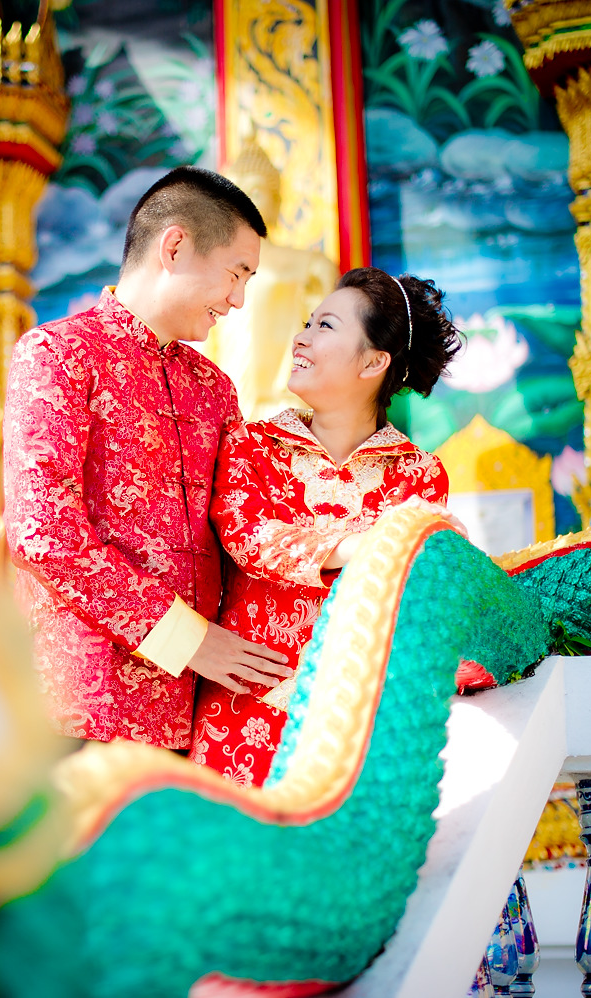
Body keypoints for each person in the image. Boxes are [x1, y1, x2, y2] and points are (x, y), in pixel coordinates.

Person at [3, 167, 293, 749]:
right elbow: (43, 534)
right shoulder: (58, 355)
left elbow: (242, 525)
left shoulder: (213, 388)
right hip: (81, 710)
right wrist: (186, 639)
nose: (239, 300)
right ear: (175, 247)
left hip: (199, 715)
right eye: (236, 274)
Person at [190, 268, 478, 786]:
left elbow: (411, 597)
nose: (300, 337)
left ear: (373, 361)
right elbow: (249, 538)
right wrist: (370, 544)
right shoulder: (251, 446)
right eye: (307, 322)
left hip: (357, 723)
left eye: (325, 326)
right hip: (241, 716)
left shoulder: (419, 475)